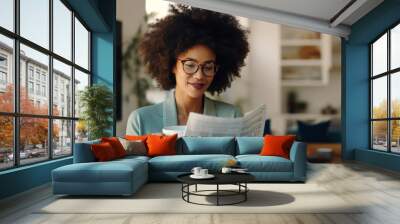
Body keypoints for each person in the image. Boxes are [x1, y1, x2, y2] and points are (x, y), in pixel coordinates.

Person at [126, 4, 249, 135]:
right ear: (172, 65)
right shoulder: (141, 121)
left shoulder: (232, 117)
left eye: (208, 67)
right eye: (190, 65)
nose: (199, 76)